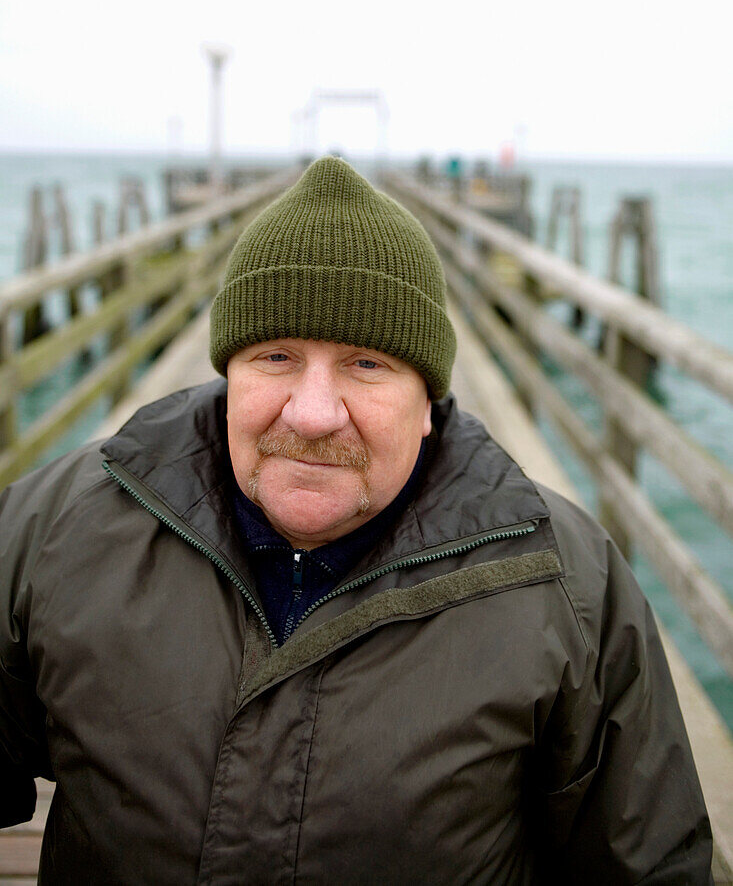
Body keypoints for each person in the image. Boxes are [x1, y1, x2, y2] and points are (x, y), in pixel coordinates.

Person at [0, 156, 712, 884]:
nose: (312, 414)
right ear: (226, 373)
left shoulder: (568, 589)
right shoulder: (52, 529)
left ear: (427, 402)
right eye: (275, 355)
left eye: (367, 364)